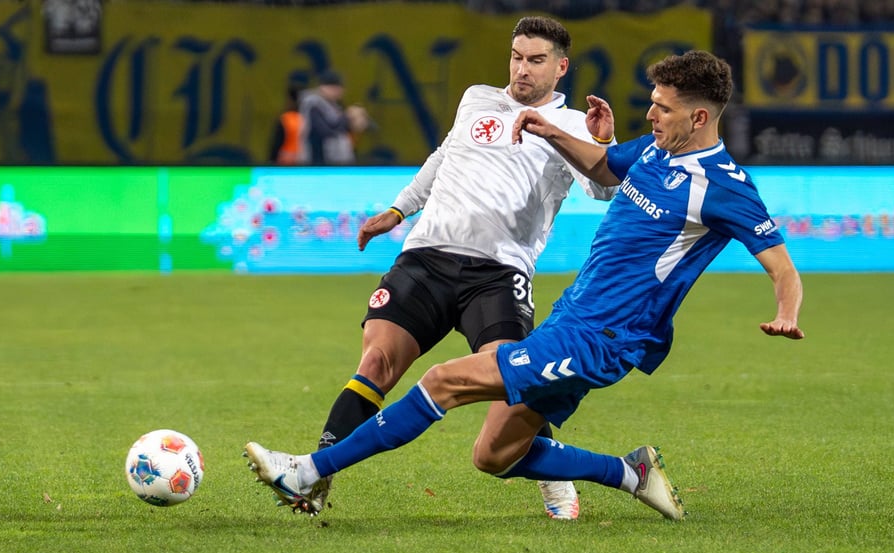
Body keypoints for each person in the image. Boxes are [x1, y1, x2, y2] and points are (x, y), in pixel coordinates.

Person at [244, 49, 805, 521]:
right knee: (494, 454)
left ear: (700, 118)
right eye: (653, 103)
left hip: (602, 337)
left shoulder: (723, 187)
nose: (651, 114)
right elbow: (607, 168)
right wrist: (549, 130)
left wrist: (787, 312)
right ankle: (628, 472)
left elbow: (782, 265)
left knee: (443, 381)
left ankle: (307, 471)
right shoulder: (657, 150)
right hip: (573, 316)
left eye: (663, 108)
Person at [301, 16, 620, 520]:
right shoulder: (476, 97)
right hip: (426, 255)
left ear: (560, 67)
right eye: (517, 56)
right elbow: (442, 158)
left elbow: (604, 190)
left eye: (536, 61)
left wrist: (605, 141)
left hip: (498, 272)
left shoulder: (576, 123)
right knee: (377, 362)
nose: (522, 69)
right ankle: (316, 474)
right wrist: (399, 210)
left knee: (514, 382)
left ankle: (555, 481)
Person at [298, 70, 369, 165]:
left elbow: (340, 127)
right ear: (326, 87)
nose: (340, 92)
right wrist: (347, 118)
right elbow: (325, 131)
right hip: (317, 158)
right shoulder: (314, 105)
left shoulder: (334, 105)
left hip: (334, 158)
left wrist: (356, 123)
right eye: (337, 88)